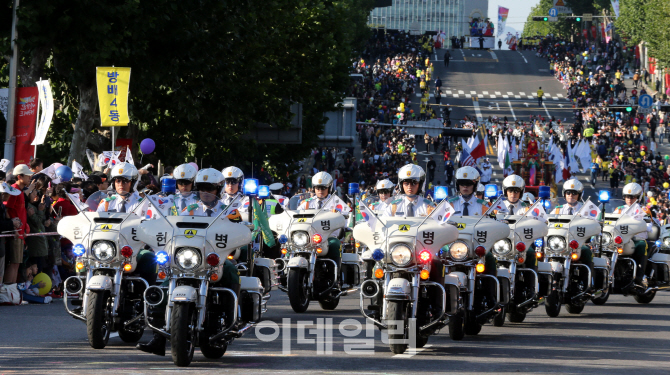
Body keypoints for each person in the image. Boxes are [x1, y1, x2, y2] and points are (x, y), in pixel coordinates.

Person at [447, 166, 495, 274]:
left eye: (468, 183)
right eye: (462, 183)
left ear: (475, 185)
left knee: (490, 258)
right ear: (457, 185)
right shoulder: (449, 204)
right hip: (452, 244)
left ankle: (494, 290)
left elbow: (493, 224)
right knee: (434, 261)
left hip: (476, 245)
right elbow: (438, 223)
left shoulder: (485, 206)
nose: (465, 186)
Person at [297, 172, 349, 269]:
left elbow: (346, 218)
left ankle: (335, 273)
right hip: (309, 238)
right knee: (292, 245)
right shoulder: (307, 203)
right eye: (317, 188)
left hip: (328, 237)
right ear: (314, 188)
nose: (320, 190)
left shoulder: (336, 202)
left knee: (334, 244)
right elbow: (295, 217)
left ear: (329, 188)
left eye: (323, 188)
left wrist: (339, 215)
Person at [551, 179, 594, 283]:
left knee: (587, 252)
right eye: (568, 193)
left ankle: (587, 282)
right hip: (559, 244)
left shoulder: (585, 210)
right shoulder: (557, 210)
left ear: (579, 195)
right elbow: (548, 224)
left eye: (574, 193)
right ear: (564, 194)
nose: (571, 195)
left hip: (578, 243)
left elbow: (593, 225)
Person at [613, 182, 654, 288]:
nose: (629, 199)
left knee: (642, 245)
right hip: (620, 240)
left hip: (637, 239)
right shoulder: (619, 209)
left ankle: (639, 277)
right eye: (627, 196)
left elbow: (649, 226)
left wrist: (637, 227)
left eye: (632, 197)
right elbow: (610, 223)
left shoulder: (644, 210)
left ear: (638, 197)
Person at [4, 164, 35, 285]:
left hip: (21, 232)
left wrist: (24, 228)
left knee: (17, 263)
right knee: (14, 262)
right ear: (19, 176)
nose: (29, 178)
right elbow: (8, 209)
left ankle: (11, 290)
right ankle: (8, 289)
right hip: (15, 233)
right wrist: (14, 229)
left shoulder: (19, 191)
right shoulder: (13, 189)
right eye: (27, 176)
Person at [500, 175, 536, 268]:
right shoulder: (497, 207)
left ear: (521, 192)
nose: (513, 194)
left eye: (516, 191)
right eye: (510, 191)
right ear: (505, 191)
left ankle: (532, 280)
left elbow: (536, 224)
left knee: (531, 253)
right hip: (500, 242)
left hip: (521, 242)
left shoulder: (528, 208)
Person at [0, 182, 23, 285]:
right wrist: (11, 223)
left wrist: (12, 224)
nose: (9, 197)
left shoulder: (1, 205)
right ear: (2, 194)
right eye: (8, 194)